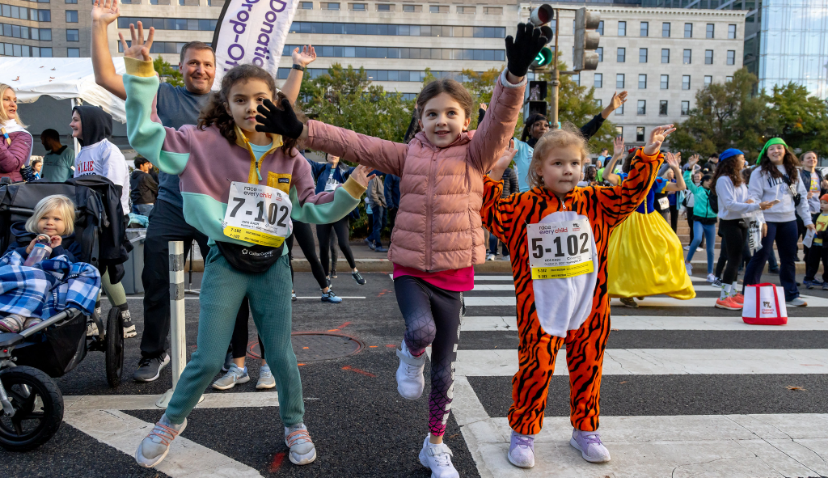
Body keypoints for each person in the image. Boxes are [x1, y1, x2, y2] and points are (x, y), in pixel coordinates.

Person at [255, 21, 545, 478]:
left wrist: (512, 77)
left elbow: (503, 119)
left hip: (455, 274)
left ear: (467, 120)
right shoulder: (405, 155)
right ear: (419, 117)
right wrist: (303, 129)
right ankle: (409, 354)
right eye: (432, 113)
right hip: (410, 269)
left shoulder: (478, 154)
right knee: (421, 331)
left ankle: (435, 445)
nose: (441, 121)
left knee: (445, 374)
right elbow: (353, 142)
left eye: (451, 113)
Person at [122, 30, 371, 466]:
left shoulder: (291, 156)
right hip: (225, 262)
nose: (251, 107)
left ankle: (295, 425)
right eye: (240, 99)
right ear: (226, 104)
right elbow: (147, 139)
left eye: (260, 99)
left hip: (273, 265)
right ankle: (171, 422)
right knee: (207, 357)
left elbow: (312, 210)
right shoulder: (200, 143)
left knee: (281, 356)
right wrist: (142, 73)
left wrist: (350, 189)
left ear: (274, 101)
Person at [90, 0, 316, 381]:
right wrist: (100, 26)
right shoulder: (162, 94)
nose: (200, 69)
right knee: (157, 279)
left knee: (236, 281)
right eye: (193, 62)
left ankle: (235, 358)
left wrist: (296, 68)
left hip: (223, 209)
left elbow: (281, 108)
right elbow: (105, 78)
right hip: (173, 205)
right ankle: (153, 354)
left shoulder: (229, 104)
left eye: (208, 64)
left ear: (217, 71)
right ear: (180, 67)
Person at [481, 125, 670, 468]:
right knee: (534, 370)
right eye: (558, 163)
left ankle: (586, 429)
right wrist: (496, 171)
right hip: (540, 309)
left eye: (574, 163)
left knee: (589, 369)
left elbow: (632, 192)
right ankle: (523, 432)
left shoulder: (596, 200)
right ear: (539, 169)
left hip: (590, 307)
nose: (567, 170)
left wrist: (649, 154)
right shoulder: (524, 205)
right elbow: (487, 211)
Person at [70, 104, 136, 338]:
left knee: (106, 267)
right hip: (89, 219)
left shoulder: (109, 150)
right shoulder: (81, 153)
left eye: (76, 119)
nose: (71, 124)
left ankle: (126, 321)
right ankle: (94, 319)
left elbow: (113, 192)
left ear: (90, 122)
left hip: (111, 218)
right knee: (89, 267)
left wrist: (109, 221)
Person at [605, 150, 693, 307]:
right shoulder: (625, 178)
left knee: (670, 246)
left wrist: (675, 168)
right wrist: (616, 156)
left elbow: (680, 186)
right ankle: (628, 294)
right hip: (628, 222)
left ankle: (641, 287)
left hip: (650, 221)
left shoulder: (654, 181)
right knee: (630, 258)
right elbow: (607, 176)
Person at [0, 195, 100, 333]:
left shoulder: (71, 244)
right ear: (36, 220)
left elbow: (75, 266)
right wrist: (27, 250)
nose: (49, 222)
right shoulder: (24, 240)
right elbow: (7, 260)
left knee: (50, 283)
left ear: (67, 223)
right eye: (44, 218)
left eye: (57, 219)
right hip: (24, 283)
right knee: (30, 275)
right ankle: (21, 316)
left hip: (52, 286)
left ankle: (24, 317)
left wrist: (58, 249)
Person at [509, 91, 628, 193]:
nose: (543, 128)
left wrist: (610, 108)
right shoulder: (520, 147)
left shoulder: (556, 147)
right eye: (537, 125)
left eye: (546, 125)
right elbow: (501, 134)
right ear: (529, 129)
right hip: (528, 201)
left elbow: (586, 131)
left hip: (552, 201)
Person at [743, 138, 814, 307]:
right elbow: (754, 198)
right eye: (772, 148)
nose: (776, 151)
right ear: (766, 153)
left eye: (779, 148)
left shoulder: (793, 171)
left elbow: (800, 198)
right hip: (767, 221)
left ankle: (791, 294)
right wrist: (760, 220)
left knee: (788, 258)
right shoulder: (759, 172)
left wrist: (807, 220)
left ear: (785, 151)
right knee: (760, 257)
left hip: (789, 220)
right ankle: (749, 294)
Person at [307, 153, 366, 289]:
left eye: (336, 153)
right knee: (323, 246)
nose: (333, 155)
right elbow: (303, 159)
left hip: (339, 211)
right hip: (323, 211)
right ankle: (326, 277)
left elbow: (362, 169)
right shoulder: (320, 168)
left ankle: (354, 270)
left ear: (340, 156)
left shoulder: (345, 170)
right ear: (326, 156)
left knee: (344, 243)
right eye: (331, 153)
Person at [682, 155, 719, 281]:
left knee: (710, 249)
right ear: (703, 181)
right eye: (707, 180)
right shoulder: (697, 190)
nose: (709, 182)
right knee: (697, 238)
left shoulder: (716, 192)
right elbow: (686, 180)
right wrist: (690, 167)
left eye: (711, 180)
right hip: (698, 219)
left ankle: (710, 273)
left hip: (711, 221)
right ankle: (687, 262)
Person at [487, 143, 518, 261]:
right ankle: (492, 252)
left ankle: (506, 254)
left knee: (507, 230)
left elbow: (515, 187)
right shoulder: (489, 171)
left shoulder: (509, 172)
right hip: (493, 203)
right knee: (493, 231)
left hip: (507, 204)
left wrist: (513, 201)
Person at [0, 84, 33, 182]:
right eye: (6, 99)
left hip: (6, 194)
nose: (13, 104)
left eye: (14, 101)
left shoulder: (22, 135)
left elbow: (10, 165)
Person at [799, 151, 823, 261]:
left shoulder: (819, 174)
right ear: (802, 162)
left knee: (811, 236)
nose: (812, 160)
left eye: (814, 158)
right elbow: (793, 191)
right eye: (808, 158)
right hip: (802, 210)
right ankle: (795, 255)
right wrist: (803, 196)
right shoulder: (800, 175)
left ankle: (807, 256)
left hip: (817, 210)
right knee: (798, 234)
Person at [803, 194, 828, 290]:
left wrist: (818, 234)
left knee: (827, 264)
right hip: (815, 244)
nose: (822, 205)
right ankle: (809, 279)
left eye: (825, 203)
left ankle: (826, 281)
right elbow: (811, 226)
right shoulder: (817, 215)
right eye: (821, 203)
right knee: (812, 262)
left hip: (825, 245)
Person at [368, 172, 388, 252]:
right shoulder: (374, 177)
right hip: (377, 205)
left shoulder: (381, 177)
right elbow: (371, 192)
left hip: (383, 204)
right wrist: (378, 202)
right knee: (378, 225)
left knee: (383, 224)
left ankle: (370, 238)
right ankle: (378, 246)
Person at [384, 173, 401, 237]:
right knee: (394, 230)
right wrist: (391, 206)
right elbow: (387, 190)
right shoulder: (391, 174)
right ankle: (392, 246)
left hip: (406, 208)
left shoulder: (408, 172)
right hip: (395, 208)